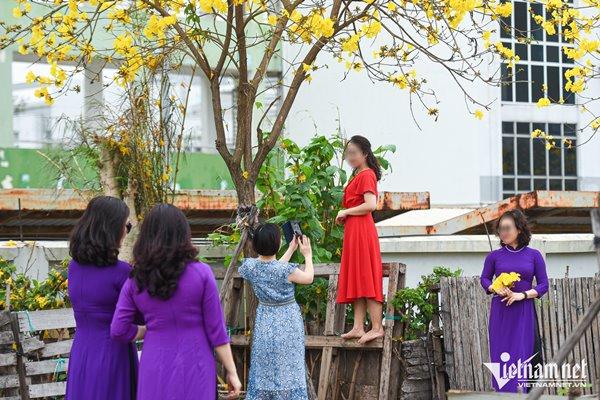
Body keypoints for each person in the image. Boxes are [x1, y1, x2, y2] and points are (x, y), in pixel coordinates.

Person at [110, 204, 241, 400]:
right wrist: (231, 371)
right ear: (183, 234)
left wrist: (146, 330)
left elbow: (118, 330)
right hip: (196, 364)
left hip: (154, 366)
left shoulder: (135, 279)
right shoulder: (202, 273)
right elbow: (216, 330)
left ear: (146, 236)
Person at [66, 196, 143, 400]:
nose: (127, 231)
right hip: (113, 357)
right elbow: (138, 319)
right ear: (112, 228)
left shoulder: (73, 268)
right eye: (126, 225)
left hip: (82, 353)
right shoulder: (123, 273)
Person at [239, 223, 314, 400]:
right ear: (277, 243)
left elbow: (272, 269)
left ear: (256, 245)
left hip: (265, 321)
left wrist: (290, 250)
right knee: (290, 368)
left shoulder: (251, 267)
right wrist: (308, 256)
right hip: (288, 323)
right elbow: (308, 278)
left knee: (264, 366)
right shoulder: (287, 271)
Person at [480, 209, 549, 393]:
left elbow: (543, 285)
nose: (503, 232)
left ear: (519, 229)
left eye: (507, 228)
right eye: (501, 229)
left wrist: (522, 295)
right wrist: (495, 287)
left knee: (522, 355)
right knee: (502, 358)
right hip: (501, 313)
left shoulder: (534, 255)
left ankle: (524, 395)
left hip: (523, 311)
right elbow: (484, 280)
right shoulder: (494, 256)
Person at [335, 135, 384, 344]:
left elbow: (371, 204)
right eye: (348, 153)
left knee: (366, 276)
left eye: (354, 153)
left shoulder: (366, 175)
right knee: (357, 276)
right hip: (354, 231)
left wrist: (346, 211)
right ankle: (357, 326)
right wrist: (346, 214)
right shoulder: (357, 175)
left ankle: (376, 327)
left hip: (362, 230)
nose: (350, 157)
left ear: (365, 153)